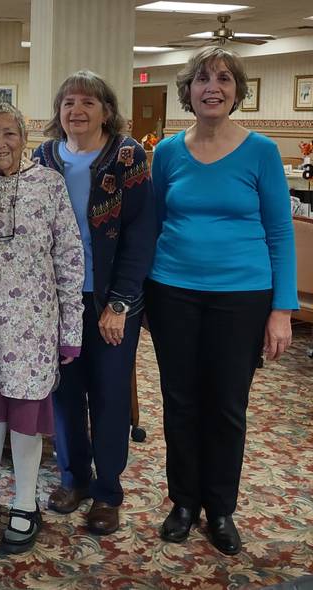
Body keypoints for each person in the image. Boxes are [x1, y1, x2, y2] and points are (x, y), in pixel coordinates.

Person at [145, 47, 297, 555]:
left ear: (237, 91)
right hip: (173, 291)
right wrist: (141, 295)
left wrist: (282, 308)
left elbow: (279, 231)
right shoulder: (166, 152)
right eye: (203, 79)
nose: (214, 87)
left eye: (225, 79)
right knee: (180, 401)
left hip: (242, 297)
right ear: (187, 90)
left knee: (227, 406)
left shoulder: (261, 151)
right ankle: (184, 502)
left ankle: (222, 508)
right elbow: (154, 223)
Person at [0, 102, 85, 554]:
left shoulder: (48, 185)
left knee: (25, 413)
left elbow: (68, 258)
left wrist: (71, 329)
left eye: (9, 134)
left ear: (24, 138)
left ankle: (26, 500)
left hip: (32, 325)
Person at [32, 71, 156, 535]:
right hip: (58, 299)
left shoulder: (127, 156)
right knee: (64, 394)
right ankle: (74, 478)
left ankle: (108, 492)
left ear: (107, 110)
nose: (76, 110)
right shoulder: (43, 156)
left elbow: (141, 236)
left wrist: (121, 304)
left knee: (108, 395)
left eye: (87, 102)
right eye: (68, 102)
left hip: (110, 300)